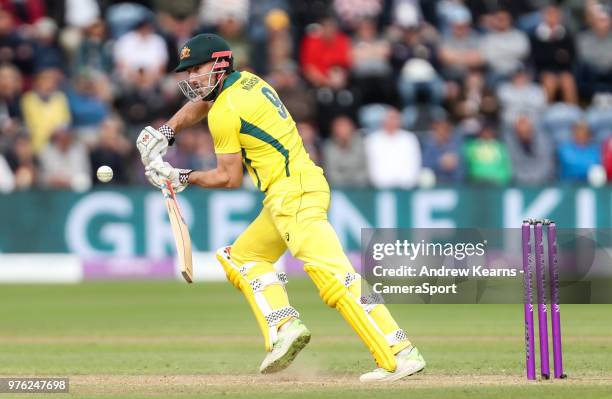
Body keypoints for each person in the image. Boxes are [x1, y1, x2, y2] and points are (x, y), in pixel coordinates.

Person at [136, 33, 425, 382]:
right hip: (292, 191)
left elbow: (228, 178)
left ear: (220, 64)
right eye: (188, 71)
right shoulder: (247, 82)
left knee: (334, 276)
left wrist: (181, 176)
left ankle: (398, 353)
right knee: (242, 257)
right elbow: (205, 103)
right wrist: (165, 132)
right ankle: (285, 326)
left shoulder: (225, 111)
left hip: (293, 195)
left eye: (197, 68)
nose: (192, 77)